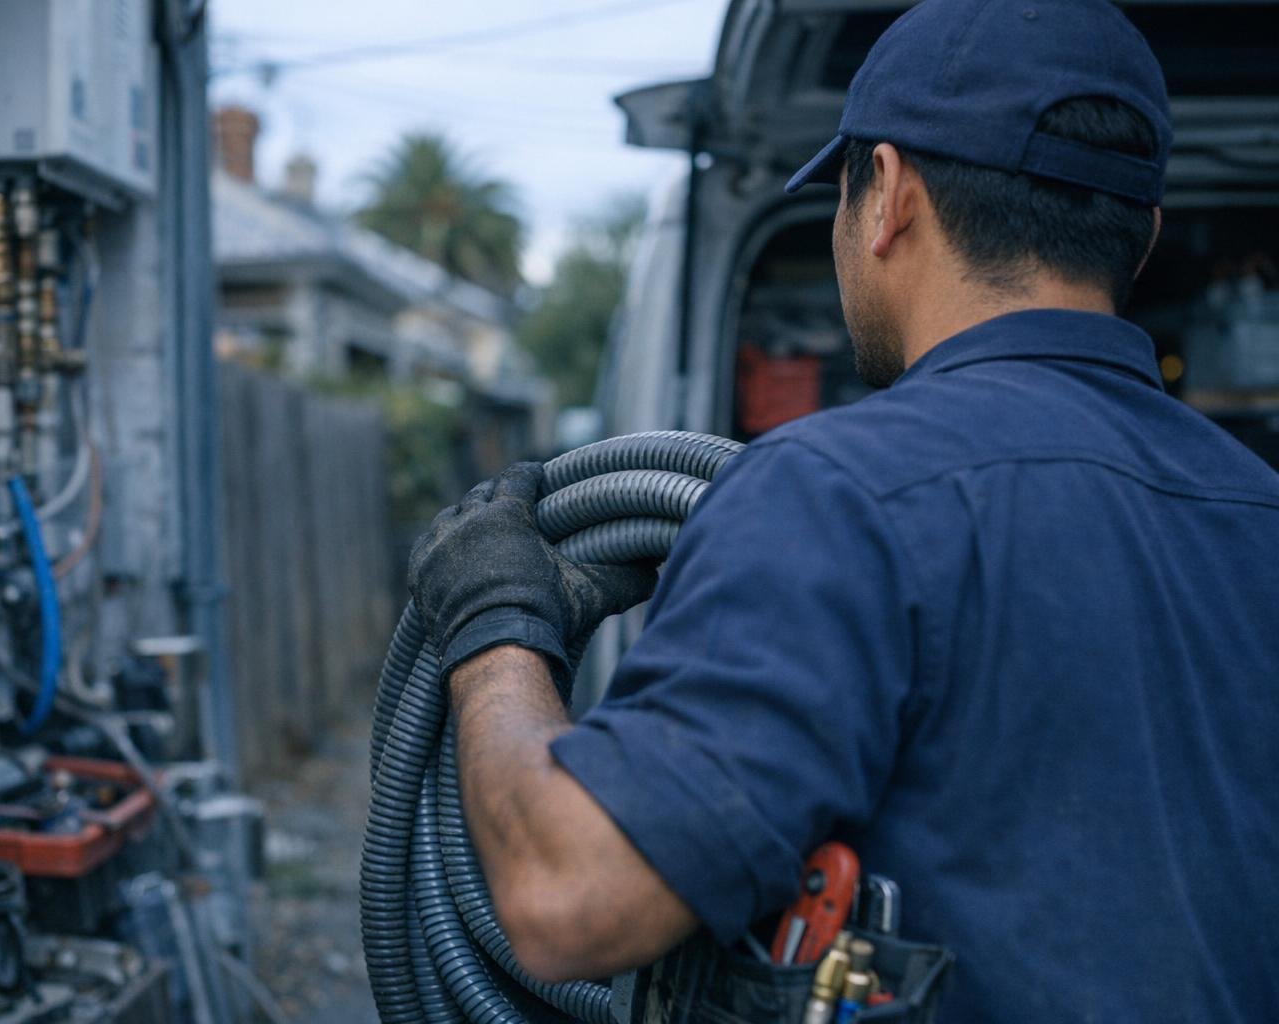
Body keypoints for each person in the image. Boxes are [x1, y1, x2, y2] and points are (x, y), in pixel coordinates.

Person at [405, 0, 1279, 1018]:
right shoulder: (1258, 510)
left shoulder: (836, 496)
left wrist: (494, 632)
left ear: (888, 196)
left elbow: (571, 897)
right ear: (1141, 236)